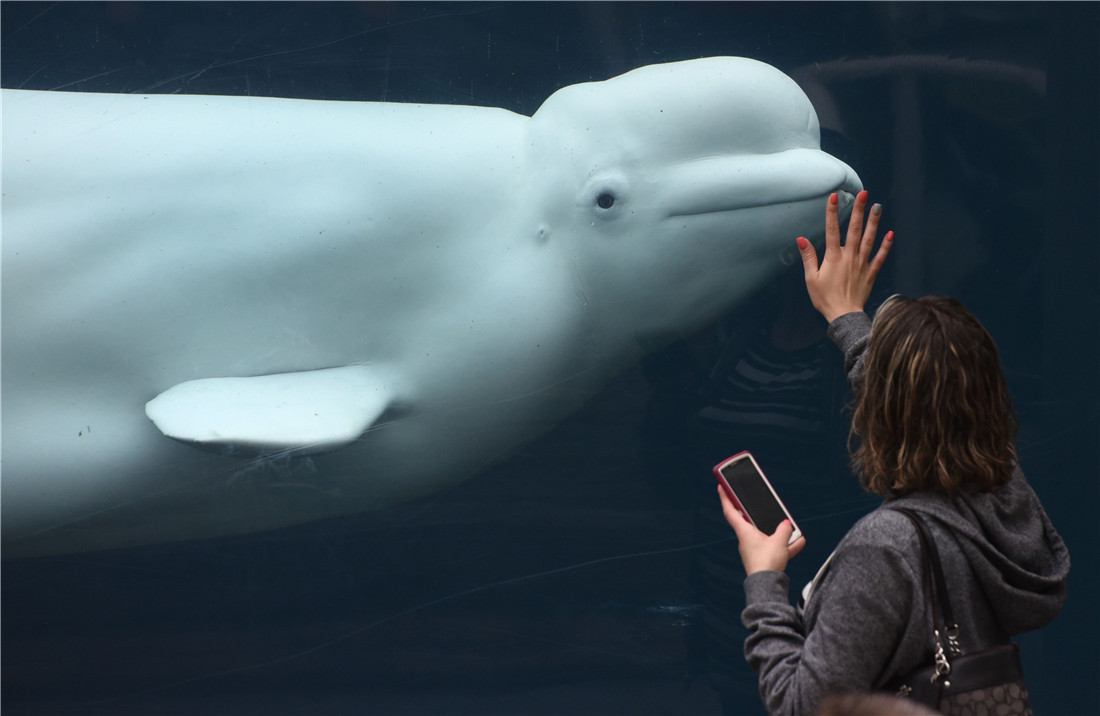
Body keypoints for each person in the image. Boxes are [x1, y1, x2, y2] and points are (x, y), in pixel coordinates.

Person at [718, 190, 1070, 714]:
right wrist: (847, 319)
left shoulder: (884, 551)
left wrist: (764, 581)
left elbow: (801, 707)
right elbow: (939, 405)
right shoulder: (1005, 506)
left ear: (876, 413)